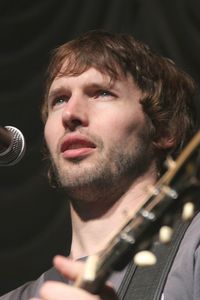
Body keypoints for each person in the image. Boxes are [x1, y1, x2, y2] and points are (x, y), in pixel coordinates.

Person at [0, 30, 199, 300]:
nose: (70, 114)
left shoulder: (193, 251)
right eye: (59, 99)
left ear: (163, 130)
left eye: (102, 93)